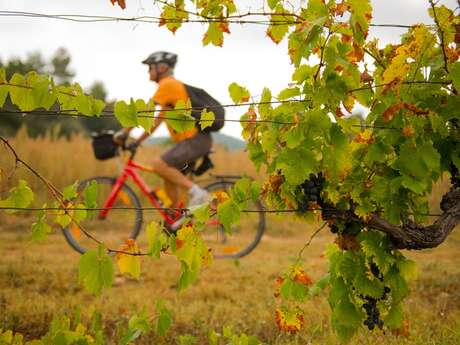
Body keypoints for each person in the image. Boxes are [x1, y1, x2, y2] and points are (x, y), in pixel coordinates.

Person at [114, 51, 212, 229]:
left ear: (162, 68)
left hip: (194, 140)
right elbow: (157, 120)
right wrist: (138, 140)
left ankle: (199, 194)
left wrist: (123, 133)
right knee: (168, 176)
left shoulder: (168, 84)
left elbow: (147, 110)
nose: (148, 72)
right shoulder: (170, 90)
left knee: (159, 164)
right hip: (196, 141)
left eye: (150, 67)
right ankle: (176, 221)